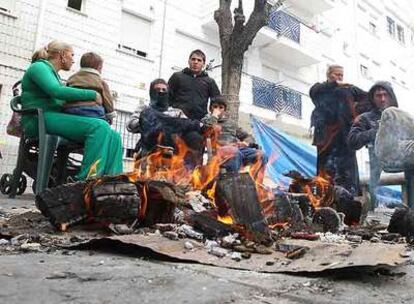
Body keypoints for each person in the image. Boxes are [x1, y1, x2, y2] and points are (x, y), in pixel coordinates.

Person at [21, 40, 123, 180]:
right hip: (38, 120)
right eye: (71, 55)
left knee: (113, 135)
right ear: (62, 55)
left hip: (52, 118)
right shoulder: (39, 67)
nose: (73, 60)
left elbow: (61, 99)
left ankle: (112, 180)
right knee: (99, 126)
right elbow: (56, 91)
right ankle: (87, 180)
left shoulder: (53, 74)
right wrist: (92, 95)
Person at [309, 64, 368, 195]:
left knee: (347, 174)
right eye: (336, 74)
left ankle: (350, 200)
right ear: (328, 74)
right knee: (325, 173)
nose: (339, 78)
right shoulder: (319, 89)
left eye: (341, 75)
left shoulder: (349, 89)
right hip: (325, 139)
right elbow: (314, 93)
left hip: (345, 138)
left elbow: (369, 98)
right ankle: (324, 199)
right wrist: (334, 84)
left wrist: (358, 114)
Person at [348, 81, 398, 206]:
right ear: (372, 98)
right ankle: (373, 206)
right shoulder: (365, 118)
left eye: (385, 95)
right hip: (377, 168)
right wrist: (376, 131)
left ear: (391, 97)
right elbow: (352, 140)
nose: (382, 99)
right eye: (378, 95)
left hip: (403, 163)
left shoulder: (400, 116)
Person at [127, 78, 202, 160]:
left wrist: (164, 123)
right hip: (149, 152)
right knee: (148, 114)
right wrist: (148, 122)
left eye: (164, 90)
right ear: (152, 92)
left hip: (171, 154)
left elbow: (187, 126)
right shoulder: (144, 109)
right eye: (157, 89)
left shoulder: (176, 112)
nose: (161, 92)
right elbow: (130, 125)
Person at [201, 96, 268, 182]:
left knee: (261, 155)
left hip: (238, 149)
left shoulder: (231, 123)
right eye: (215, 107)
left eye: (221, 108)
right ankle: (233, 183)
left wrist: (245, 142)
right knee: (234, 152)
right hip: (220, 151)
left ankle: (256, 185)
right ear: (210, 108)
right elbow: (205, 130)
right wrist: (214, 116)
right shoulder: (206, 120)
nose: (218, 109)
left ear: (224, 110)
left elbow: (248, 137)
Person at [168, 49, 221, 121]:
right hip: (177, 120)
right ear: (189, 61)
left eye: (199, 60)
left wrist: (213, 117)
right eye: (193, 59)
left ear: (203, 64)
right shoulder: (177, 76)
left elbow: (217, 101)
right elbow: (167, 96)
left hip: (198, 122)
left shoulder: (209, 81)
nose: (196, 62)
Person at [64, 52, 116, 123]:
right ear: (99, 67)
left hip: (71, 109)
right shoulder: (101, 82)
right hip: (92, 110)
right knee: (102, 122)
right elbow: (107, 100)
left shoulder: (72, 78)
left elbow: (66, 92)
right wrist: (110, 116)